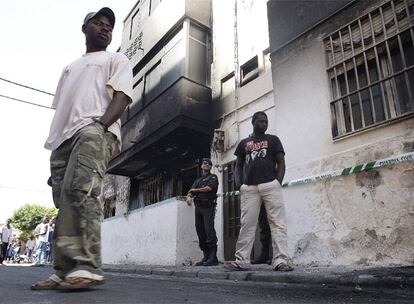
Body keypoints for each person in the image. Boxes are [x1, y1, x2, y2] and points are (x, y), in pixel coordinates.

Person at [31, 7, 133, 291]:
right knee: (63, 203)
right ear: (84, 28)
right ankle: (63, 270)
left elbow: (123, 96)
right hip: (64, 139)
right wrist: (56, 147)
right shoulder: (70, 67)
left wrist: (101, 126)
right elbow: (63, 107)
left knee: (83, 191)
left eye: (109, 26)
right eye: (98, 23)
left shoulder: (116, 59)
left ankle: (87, 266)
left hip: (94, 128)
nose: (105, 28)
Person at [227, 111, 293, 271]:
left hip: (270, 185)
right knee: (247, 224)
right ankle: (241, 260)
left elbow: (281, 162)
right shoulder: (244, 143)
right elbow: (238, 166)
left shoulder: (273, 140)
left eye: (266, 121)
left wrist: (278, 182)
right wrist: (240, 185)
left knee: (277, 223)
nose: (264, 124)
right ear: (253, 122)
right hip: (249, 188)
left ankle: (281, 261)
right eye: (261, 121)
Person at [186, 158, 219, 266]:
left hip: (208, 206)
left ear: (210, 167)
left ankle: (213, 257)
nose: (205, 165)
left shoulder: (213, 177)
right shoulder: (198, 180)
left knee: (209, 230)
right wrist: (189, 197)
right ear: (201, 166)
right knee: (200, 231)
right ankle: (205, 256)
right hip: (198, 207)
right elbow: (191, 191)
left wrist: (195, 191)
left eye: (207, 164)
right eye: (203, 163)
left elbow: (209, 188)